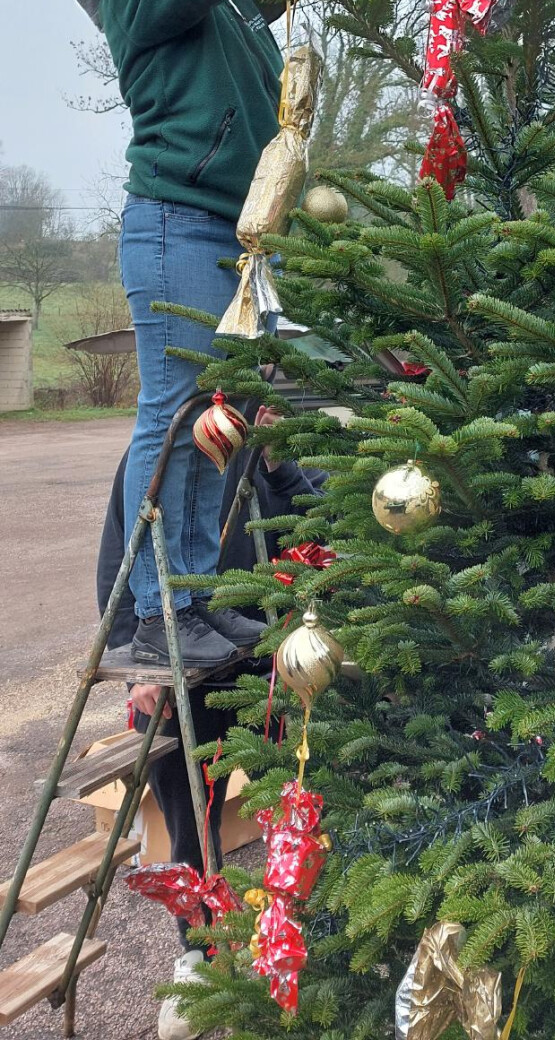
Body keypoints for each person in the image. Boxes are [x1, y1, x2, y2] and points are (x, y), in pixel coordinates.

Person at [56, 0, 383, 668]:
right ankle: (161, 613)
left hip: (237, 239)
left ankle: (199, 601)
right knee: (180, 410)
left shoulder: (216, 0)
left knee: (229, 408)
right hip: (178, 226)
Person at [97, 404, 326, 1040]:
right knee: (190, 826)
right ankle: (202, 958)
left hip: (266, 665)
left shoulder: (272, 446)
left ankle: (292, 947)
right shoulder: (160, 453)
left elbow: (328, 536)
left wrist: (280, 464)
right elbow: (119, 555)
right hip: (175, 670)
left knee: (293, 810)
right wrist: (139, 667)